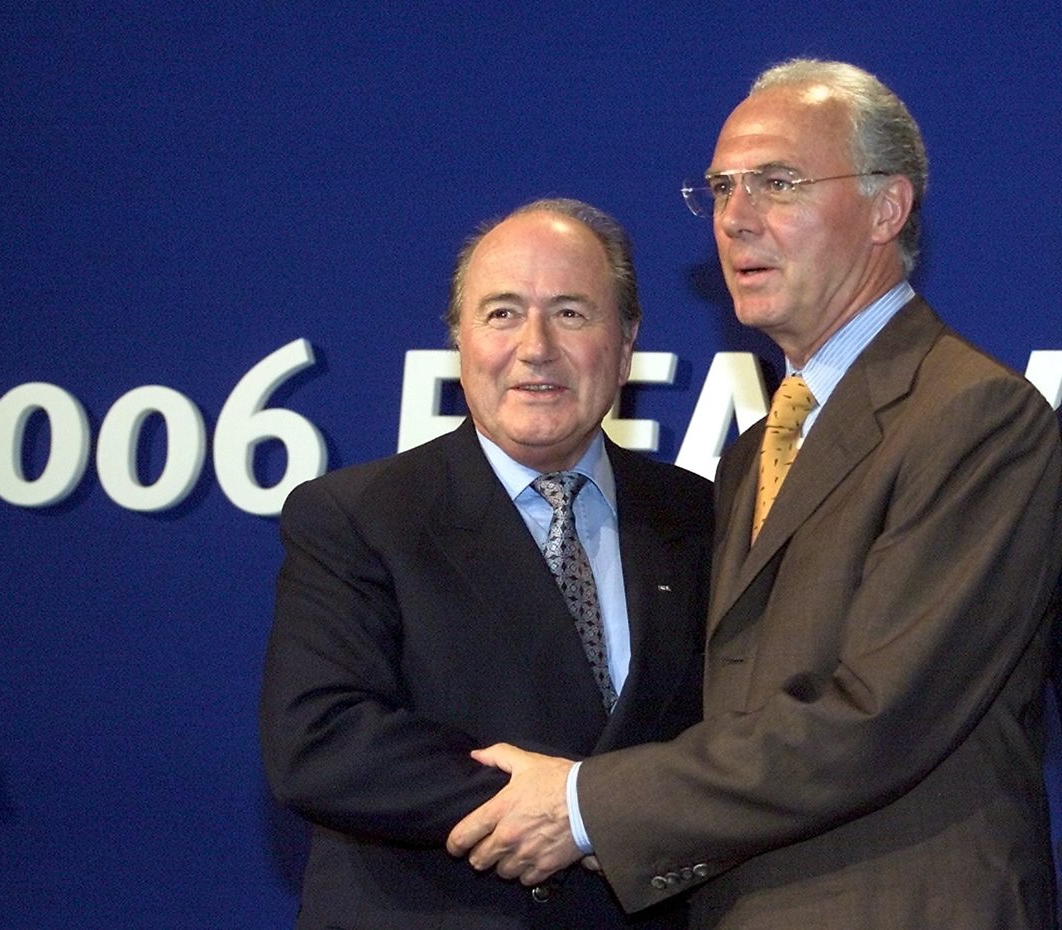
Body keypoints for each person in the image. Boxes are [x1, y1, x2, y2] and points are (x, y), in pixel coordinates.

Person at [447, 60, 1062, 929]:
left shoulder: (975, 416)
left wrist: (584, 805)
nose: (735, 218)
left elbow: (875, 719)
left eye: (778, 182)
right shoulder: (754, 453)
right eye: (721, 188)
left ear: (887, 208)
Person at [260, 197, 713, 928]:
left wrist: (598, 815)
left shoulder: (700, 516)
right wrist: (572, 816)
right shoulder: (358, 516)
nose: (535, 347)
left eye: (571, 313)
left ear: (627, 340)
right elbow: (323, 739)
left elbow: (737, 736)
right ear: (459, 340)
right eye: (502, 313)